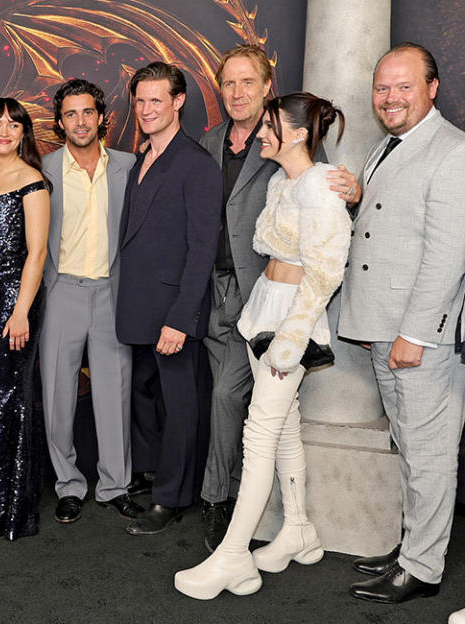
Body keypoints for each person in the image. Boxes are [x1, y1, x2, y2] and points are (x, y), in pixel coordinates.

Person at [175, 92, 351, 600]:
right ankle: (298, 529)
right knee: (286, 426)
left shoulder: (320, 185)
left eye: (271, 126)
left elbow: (324, 271)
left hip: (291, 322)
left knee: (260, 435)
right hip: (264, 311)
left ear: (298, 133)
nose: (262, 134)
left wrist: (292, 339)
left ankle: (232, 558)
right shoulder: (280, 181)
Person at [197, 44, 360, 552]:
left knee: (248, 415)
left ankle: (226, 528)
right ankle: (298, 531)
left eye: (248, 82)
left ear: (268, 86)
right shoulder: (208, 142)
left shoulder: (298, 153)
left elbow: (326, 208)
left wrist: (350, 194)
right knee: (273, 423)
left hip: (280, 308)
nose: (237, 92)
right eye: (228, 83)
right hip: (231, 298)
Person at [339, 42, 465, 604]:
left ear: (432, 88)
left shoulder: (452, 150)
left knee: (429, 451)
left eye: (403, 85)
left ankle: (423, 569)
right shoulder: (390, 145)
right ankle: (414, 545)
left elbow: (447, 253)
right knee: (409, 447)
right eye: (382, 87)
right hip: (384, 325)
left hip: (418, 335)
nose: (389, 97)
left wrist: (415, 334)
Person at [116, 62, 220, 536]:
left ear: (178, 102)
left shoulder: (196, 164)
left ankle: (172, 497)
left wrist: (182, 319)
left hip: (173, 313)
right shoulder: (143, 158)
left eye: (156, 100)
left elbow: (202, 249)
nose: (146, 109)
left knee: (180, 408)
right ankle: (160, 476)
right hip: (138, 308)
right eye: (140, 101)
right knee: (145, 399)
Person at [39, 79, 142, 526]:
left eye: (87, 112)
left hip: (112, 292)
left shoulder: (130, 165)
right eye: (70, 114)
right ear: (59, 122)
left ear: (102, 117)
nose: (79, 122)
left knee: (114, 394)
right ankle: (68, 485)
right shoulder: (43, 169)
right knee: (58, 396)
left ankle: (115, 485)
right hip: (62, 290)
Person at [0, 98, 50, 539]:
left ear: (24, 133)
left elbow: (36, 254)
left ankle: (10, 509)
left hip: (13, 302)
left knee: (9, 397)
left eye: (13, 124)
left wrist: (20, 311)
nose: (4, 131)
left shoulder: (32, 182)